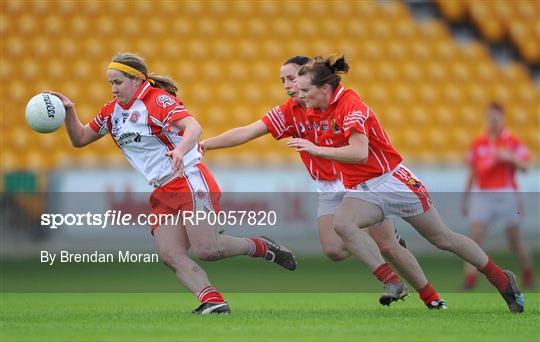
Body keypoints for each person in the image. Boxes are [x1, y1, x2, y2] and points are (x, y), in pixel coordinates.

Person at [48, 52, 297, 315]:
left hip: (188, 177)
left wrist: (180, 151)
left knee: (208, 250)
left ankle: (261, 246)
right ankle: (213, 301)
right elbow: (81, 138)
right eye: (111, 83)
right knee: (170, 254)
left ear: (136, 80)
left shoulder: (156, 100)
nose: (113, 89)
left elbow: (193, 127)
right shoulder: (112, 113)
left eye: (118, 82)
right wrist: (69, 111)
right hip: (161, 189)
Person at [202, 56, 446, 309]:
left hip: (359, 183)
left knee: (388, 245)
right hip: (329, 187)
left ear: (311, 80)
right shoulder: (289, 112)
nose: (287, 84)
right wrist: (206, 144)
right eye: (282, 80)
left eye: (292, 78)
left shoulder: (334, 105)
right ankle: (369, 239)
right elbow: (246, 131)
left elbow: (360, 144)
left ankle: (429, 296)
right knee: (334, 251)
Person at [288, 55, 525, 313]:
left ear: (324, 89)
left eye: (305, 90)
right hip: (363, 189)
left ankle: (501, 278)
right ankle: (392, 282)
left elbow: (359, 153)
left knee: (443, 239)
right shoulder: (316, 109)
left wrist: (317, 150)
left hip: (393, 182)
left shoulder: (350, 105)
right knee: (343, 224)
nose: (299, 95)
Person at [462, 103, 534, 290]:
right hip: (483, 194)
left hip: (506, 193)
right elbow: (473, 172)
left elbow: (526, 167)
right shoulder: (479, 142)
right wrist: (466, 198)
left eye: (496, 118)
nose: (493, 122)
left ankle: (527, 272)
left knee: (514, 240)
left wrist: (510, 158)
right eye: (490, 118)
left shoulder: (511, 141)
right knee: (475, 237)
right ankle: (470, 280)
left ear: (502, 119)